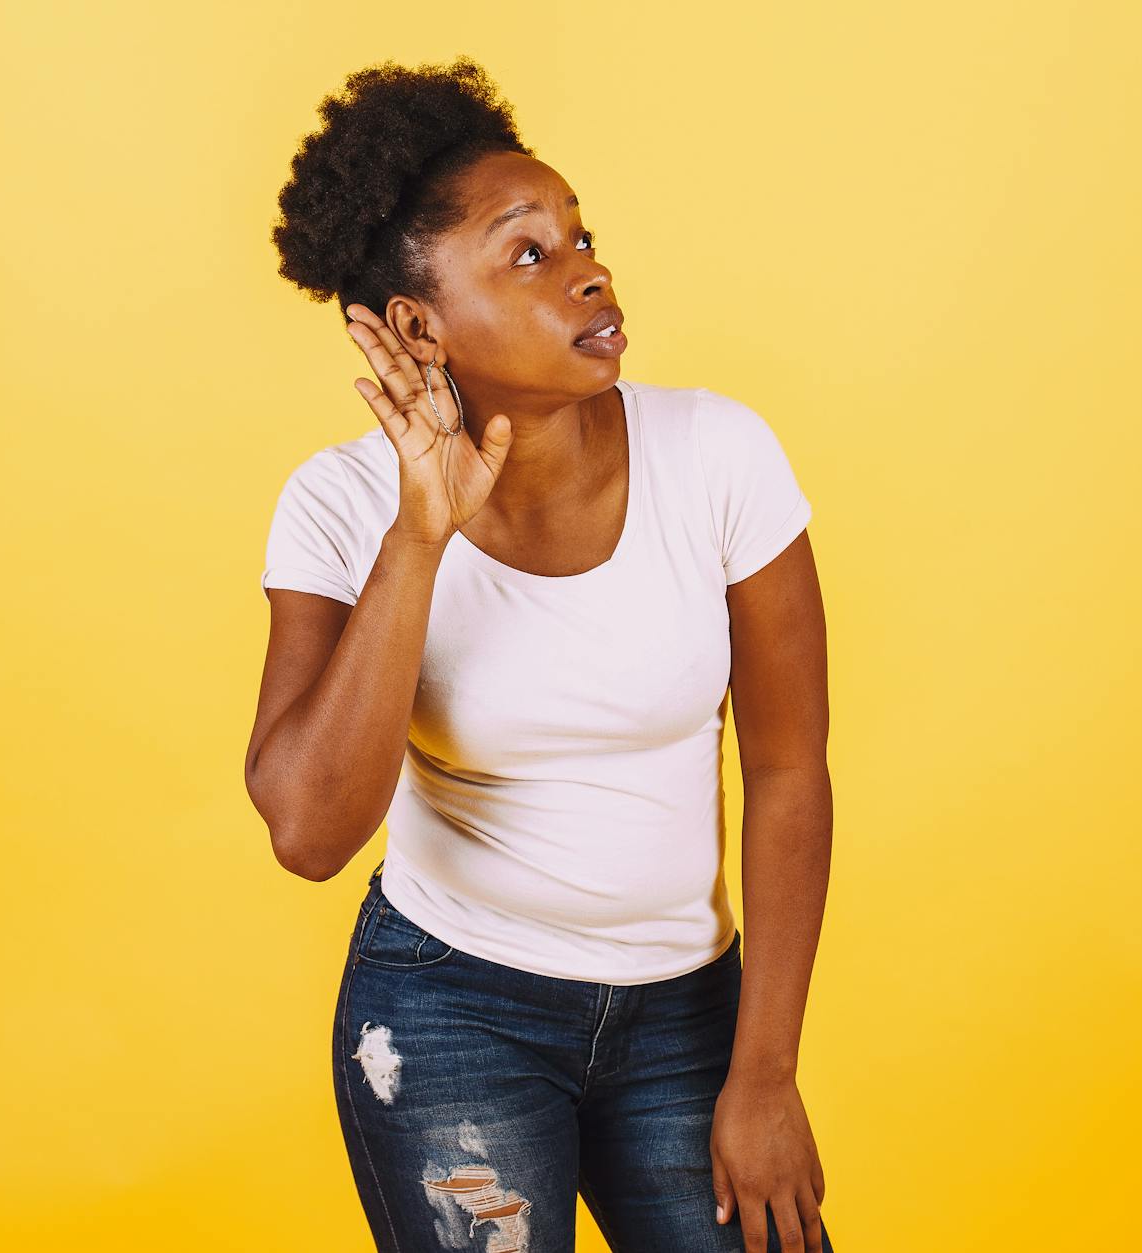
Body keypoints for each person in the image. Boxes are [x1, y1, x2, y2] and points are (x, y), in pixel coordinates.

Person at [247, 56, 835, 1253]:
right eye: (527, 253)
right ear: (417, 323)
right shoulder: (339, 503)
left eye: (580, 234)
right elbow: (307, 829)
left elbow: (787, 768)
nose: (588, 269)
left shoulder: (717, 455)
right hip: (451, 1009)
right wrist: (420, 534)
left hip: (688, 1012)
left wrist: (763, 1071)